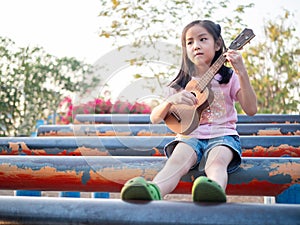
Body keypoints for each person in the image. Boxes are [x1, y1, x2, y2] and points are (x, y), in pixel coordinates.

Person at [121, 20, 257, 202]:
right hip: (189, 137)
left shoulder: (229, 78)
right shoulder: (182, 82)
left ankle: (213, 191)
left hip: (223, 136)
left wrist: (242, 72)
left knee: (216, 162)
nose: (196, 46)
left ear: (218, 44)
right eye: (190, 42)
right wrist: (170, 101)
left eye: (202, 39)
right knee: (176, 162)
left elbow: (251, 109)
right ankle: (153, 191)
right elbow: (154, 118)